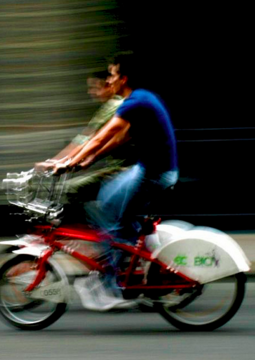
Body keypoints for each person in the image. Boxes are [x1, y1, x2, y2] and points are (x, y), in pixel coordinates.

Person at [54, 51, 179, 311]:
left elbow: (100, 137)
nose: (108, 81)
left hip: (153, 174)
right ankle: (144, 260)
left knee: (109, 213)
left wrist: (66, 162)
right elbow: (117, 140)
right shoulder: (141, 98)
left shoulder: (133, 103)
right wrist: (86, 161)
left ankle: (111, 286)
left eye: (111, 75)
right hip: (151, 170)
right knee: (111, 207)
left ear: (123, 78)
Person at [35, 70, 129, 217]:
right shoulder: (112, 105)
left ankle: (102, 232)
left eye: (95, 88)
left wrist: (62, 161)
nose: (90, 92)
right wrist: (60, 161)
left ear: (109, 85)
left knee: (72, 189)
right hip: (124, 168)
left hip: (126, 169)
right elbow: (87, 138)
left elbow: (89, 139)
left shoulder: (114, 105)